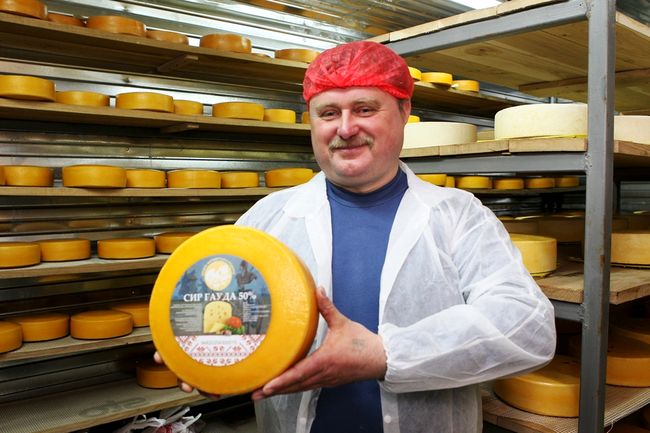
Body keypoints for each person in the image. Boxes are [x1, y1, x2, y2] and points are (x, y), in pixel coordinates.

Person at [163, 40, 556, 433]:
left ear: (404, 111)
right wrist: (207, 357)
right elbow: (229, 313)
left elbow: (527, 327)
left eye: (365, 109)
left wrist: (384, 354)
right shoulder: (267, 219)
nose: (346, 128)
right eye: (329, 113)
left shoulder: (458, 216)